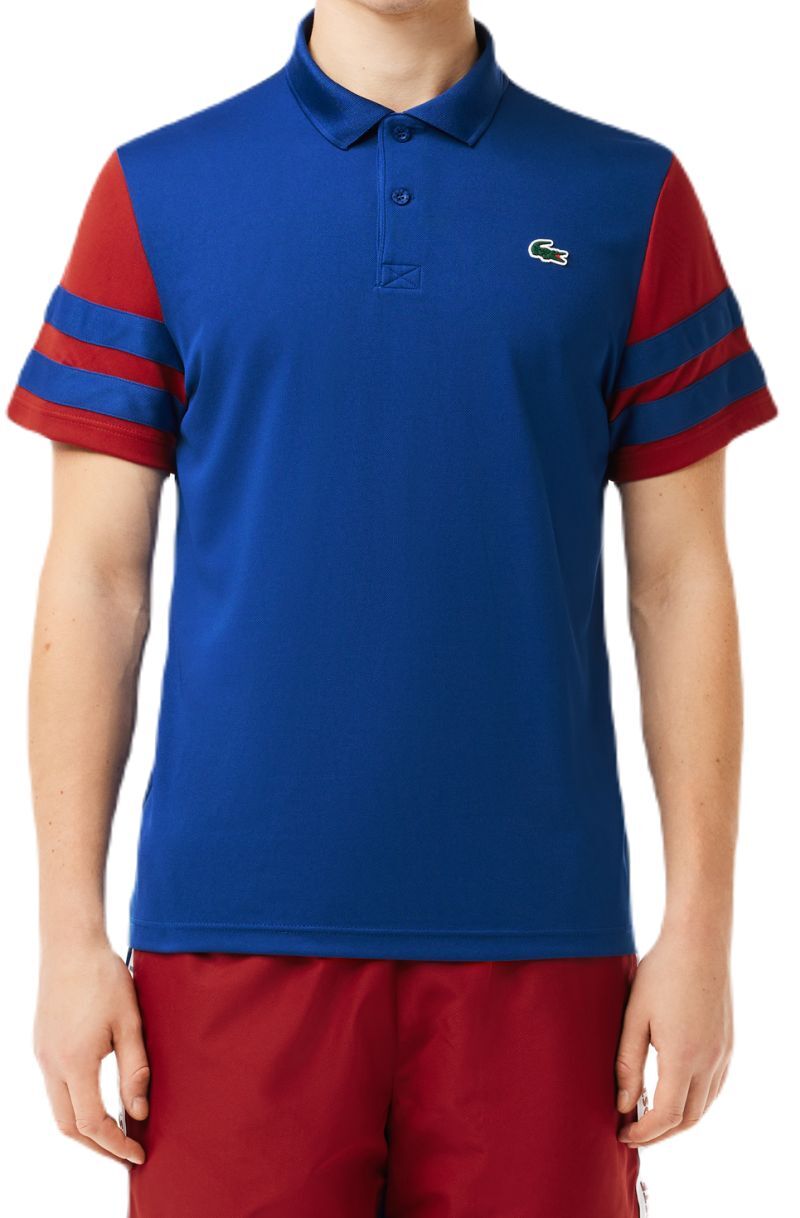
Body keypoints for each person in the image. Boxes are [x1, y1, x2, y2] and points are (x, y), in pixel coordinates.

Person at [9, 2, 777, 1215]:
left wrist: (700, 934)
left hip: (543, 941)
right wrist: (67, 937)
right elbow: (95, 583)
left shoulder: (630, 198)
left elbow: (681, 584)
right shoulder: (155, 193)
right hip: (228, 939)